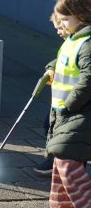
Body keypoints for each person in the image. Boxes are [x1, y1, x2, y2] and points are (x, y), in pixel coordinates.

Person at [36, 0, 91, 208]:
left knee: (68, 161)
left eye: (65, 19)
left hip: (79, 111)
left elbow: (89, 77)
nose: (60, 24)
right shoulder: (72, 40)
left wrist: (69, 105)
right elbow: (63, 61)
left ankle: (86, 205)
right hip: (63, 111)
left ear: (83, 16)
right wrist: (51, 67)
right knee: (60, 161)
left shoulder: (87, 42)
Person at [34, 12, 68, 175]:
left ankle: (58, 162)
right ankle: (53, 160)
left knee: (69, 136)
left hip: (73, 102)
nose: (58, 31)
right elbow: (61, 58)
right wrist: (51, 67)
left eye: (61, 26)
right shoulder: (70, 41)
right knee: (49, 125)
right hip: (61, 100)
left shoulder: (83, 43)